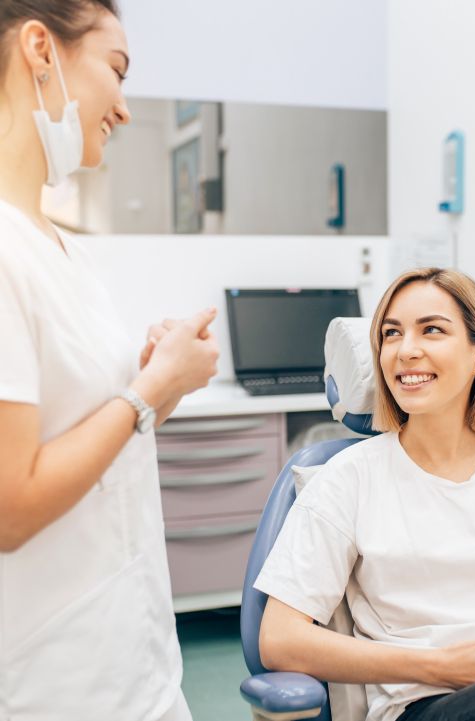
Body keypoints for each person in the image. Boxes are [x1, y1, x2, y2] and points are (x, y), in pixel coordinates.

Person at [0, 2, 219, 720]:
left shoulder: (63, 248)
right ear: (41, 48)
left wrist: (158, 379)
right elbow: (10, 505)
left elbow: (101, 423)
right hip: (51, 681)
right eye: (116, 71)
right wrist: (150, 389)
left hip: (134, 657)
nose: (124, 109)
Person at [255, 267, 475, 721]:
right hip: (428, 704)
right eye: (391, 334)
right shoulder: (348, 478)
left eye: (431, 329)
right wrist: (440, 665)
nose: (406, 350)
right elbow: (279, 639)